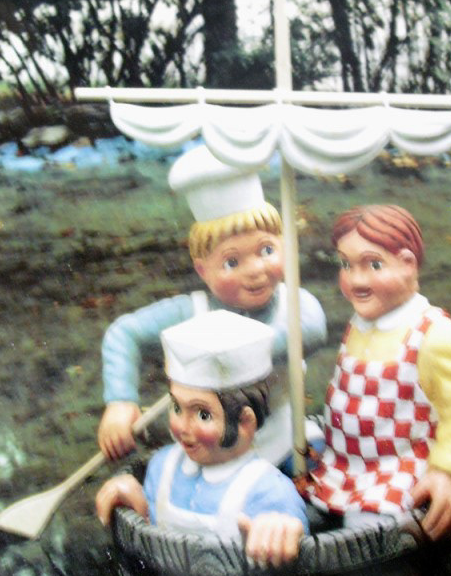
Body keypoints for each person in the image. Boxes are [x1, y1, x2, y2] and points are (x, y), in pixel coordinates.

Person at [97, 145, 327, 470]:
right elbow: (125, 333)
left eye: (266, 250)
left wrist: (230, 352)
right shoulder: (192, 312)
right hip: (209, 453)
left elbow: (311, 331)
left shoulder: (294, 304)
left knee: (320, 472)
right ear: (203, 270)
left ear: (284, 247)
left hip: (283, 443)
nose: (255, 270)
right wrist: (120, 400)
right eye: (232, 261)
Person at [303, 204, 451, 541]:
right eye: (346, 264)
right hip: (344, 462)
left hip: (396, 468)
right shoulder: (360, 324)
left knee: (368, 537)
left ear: (407, 263)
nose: (356, 280)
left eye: (374, 264)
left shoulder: (435, 335)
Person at [95, 310, 308, 567]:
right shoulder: (164, 467)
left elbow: (292, 535)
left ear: (244, 422)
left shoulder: (267, 488)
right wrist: (135, 500)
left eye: (203, 415)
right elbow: (153, 532)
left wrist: (280, 530)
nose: (182, 427)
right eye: (176, 408)